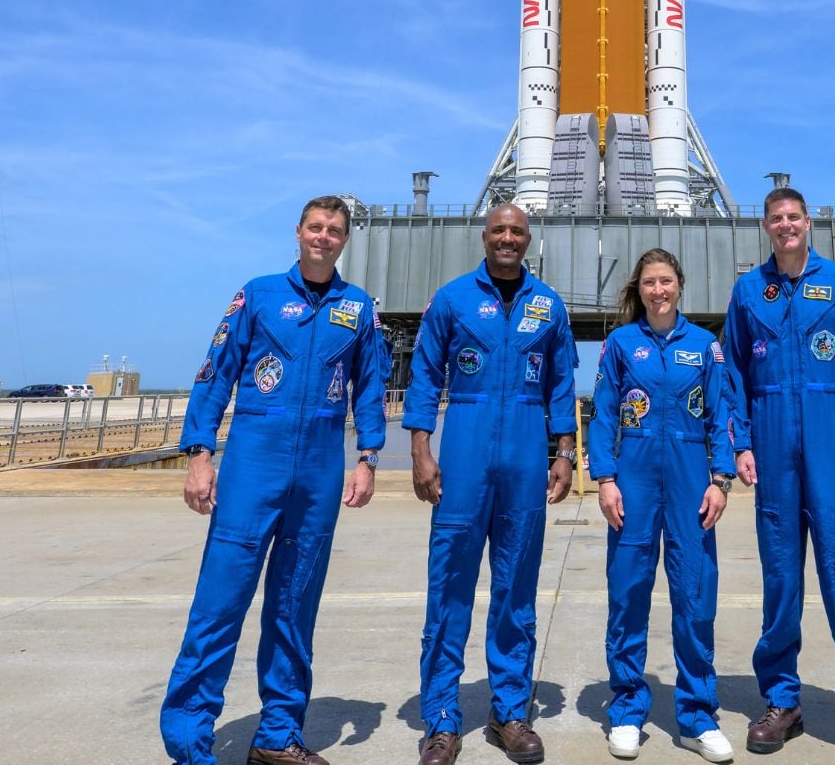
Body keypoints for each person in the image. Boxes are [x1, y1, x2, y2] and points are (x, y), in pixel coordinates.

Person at [161, 196, 388, 765]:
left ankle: (279, 734)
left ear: (345, 240)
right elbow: (215, 374)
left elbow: (370, 387)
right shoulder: (259, 294)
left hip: (317, 471)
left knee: (295, 603)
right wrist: (198, 453)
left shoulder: (358, 308)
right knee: (220, 601)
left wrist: (368, 458)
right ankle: (190, 739)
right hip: (252, 464)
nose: (324, 237)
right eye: (316, 227)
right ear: (299, 232)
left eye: (335, 230)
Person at [720, 188, 835, 765]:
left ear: (807, 223)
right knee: (781, 580)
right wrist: (740, 446)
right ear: (766, 227)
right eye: (776, 219)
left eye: (794, 217)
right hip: (772, 452)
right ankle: (781, 700)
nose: (785, 226)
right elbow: (733, 378)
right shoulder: (749, 291)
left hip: (831, 449)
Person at [404, 204, 579, 765]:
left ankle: (509, 711)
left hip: (526, 453)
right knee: (449, 587)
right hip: (465, 450)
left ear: (529, 240)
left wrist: (565, 453)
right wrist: (420, 449)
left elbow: (560, 384)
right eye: (499, 230)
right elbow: (426, 375)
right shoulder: (452, 299)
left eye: (518, 232)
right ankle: (440, 719)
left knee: (516, 590)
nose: (508, 238)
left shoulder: (548, 305)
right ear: (485, 237)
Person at [587, 249, 743, 763]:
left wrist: (720, 480)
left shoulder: (705, 346)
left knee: (695, 595)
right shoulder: (620, 345)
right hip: (631, 478)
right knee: (628, 592)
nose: (659, 291)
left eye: (667, 281)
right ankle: (628, 710)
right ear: (640, 287)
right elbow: (604, 414)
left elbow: (723, 414)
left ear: (680, 285)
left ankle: (698, 715)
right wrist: (604, 479)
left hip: (690, 477)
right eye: (650, 282)